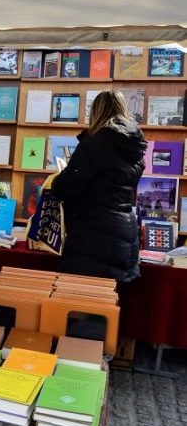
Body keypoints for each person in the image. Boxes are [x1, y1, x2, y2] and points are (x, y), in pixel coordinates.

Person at [51, 90, 147, 282]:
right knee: (108, 306)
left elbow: (66, 187)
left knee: (82, 306)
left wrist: (57, 179)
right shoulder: (134, 149)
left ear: (96, 112)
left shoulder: (95, 144)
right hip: (124, 235)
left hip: (93, 238)